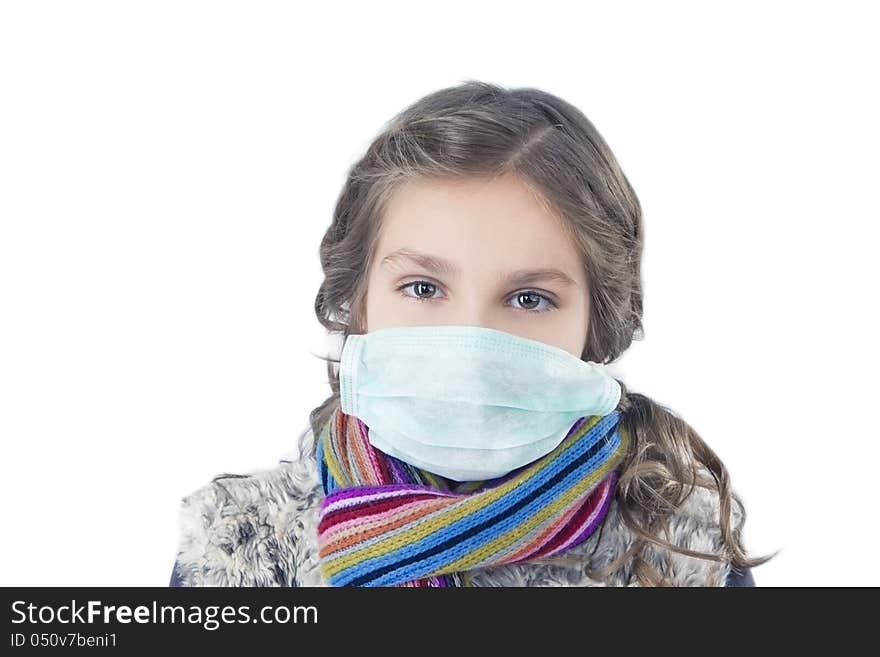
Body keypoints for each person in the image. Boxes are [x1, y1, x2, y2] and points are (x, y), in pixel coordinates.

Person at [169, 80, 774, 587]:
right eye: (424, 289)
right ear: (358, 303)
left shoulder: (680, 553)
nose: (471, 346)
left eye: (529, 298)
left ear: (597, 326)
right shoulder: (237, 552)